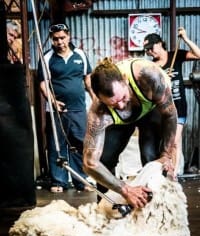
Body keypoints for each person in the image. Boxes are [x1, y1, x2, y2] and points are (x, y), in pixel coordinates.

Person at [83, 57, 177, 209]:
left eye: (122, 98)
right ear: (100, 99)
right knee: (105, 160)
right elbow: (90, 163)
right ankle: (106, 208)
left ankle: (157, 210)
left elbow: (170, 115)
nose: (120, 105)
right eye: (112, 104)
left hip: (150, 110)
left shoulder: (148, 76)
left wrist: (166, 155)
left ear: (125, 80)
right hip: (123, 122)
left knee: (151, 159)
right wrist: (125, 189)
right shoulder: (99, 111)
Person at [38, 23, 94, 193]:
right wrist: (53, 101)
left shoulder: (80, 55)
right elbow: (43, 83)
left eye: (62, 38)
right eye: (56, 39)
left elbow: (87, 79)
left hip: (78, 109)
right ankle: (59, 181)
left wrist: (95, 98)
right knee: (57, 145)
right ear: (51, 40)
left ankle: (80, 180)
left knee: (79, 144)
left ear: (69, 36)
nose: (60, 42)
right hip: (57, 111)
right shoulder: (47, 57)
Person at [143, 27, 200, 177]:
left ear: (160, 43)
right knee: (163, 143)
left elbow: (198, 54)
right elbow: (149, 92)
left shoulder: (176, 55)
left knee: (174, 142)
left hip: (179, 107)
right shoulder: (151, 66)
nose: (149, 52)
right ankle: (165, 172)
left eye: (151, 48)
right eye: (146, 50)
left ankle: (173, 175)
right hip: (161, 110)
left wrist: (186, 38)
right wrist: (162, 78)